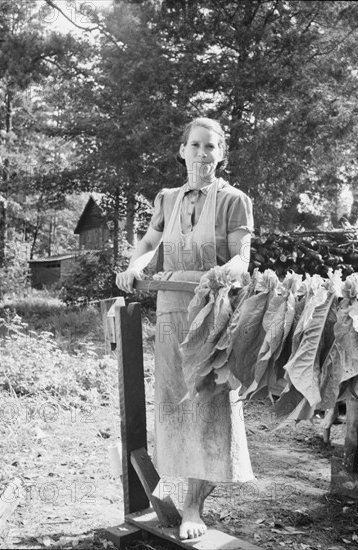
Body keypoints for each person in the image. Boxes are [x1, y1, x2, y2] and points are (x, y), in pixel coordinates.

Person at [116, 117, 254, 540]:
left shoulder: (234, 200)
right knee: (176, 403)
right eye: (195, 146)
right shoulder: (168, 198)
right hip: (171, 312)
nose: (202, 154)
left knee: (210, 406)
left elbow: (241, 258)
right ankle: (173, 492)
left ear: (222, 154)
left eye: (211, 147)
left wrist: (223, 274)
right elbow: (149, 245)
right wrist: (134, 265)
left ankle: (194, 505)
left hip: (213, 314)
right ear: (182, 150)